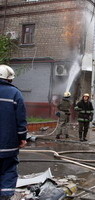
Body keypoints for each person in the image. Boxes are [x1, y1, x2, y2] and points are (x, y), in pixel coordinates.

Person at [0, 65, 27, 199]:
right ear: (9, 79)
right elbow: (20, 120)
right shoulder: (15, 94)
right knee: (8, 170)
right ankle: (5, 196)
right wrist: (22, 137)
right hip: (8, 144)